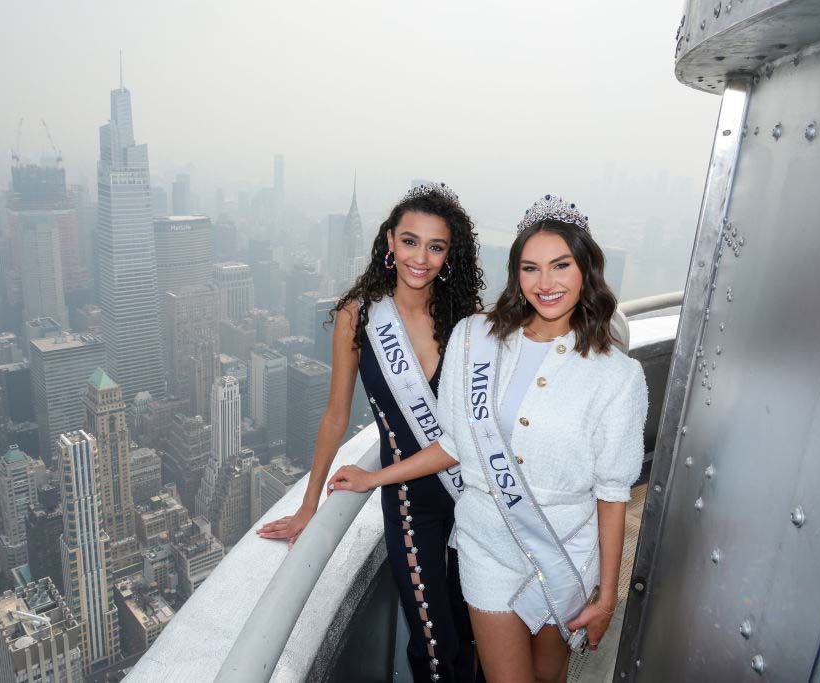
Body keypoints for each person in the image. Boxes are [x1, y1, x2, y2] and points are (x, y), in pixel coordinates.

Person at [328, 195, 648, 683]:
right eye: (530, 268)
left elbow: (612, 492)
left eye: (560, 266)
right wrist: (375, 479)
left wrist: (606, 595)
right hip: (486, 548)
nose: (546, 283)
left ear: (585, 270)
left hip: (564, 551)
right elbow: (455, 442)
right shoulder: (478, 339)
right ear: (516, 275)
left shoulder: (619, 377)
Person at [258, 182, 485, 682]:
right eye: (409, 241)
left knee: (475, 635)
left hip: (474, 496)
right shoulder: (358, 315)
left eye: (435, 245)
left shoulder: (465, 320)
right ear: (389, 242)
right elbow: (336, 415)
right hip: (409, 503)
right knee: (435, 650)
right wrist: (309, 505)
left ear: (450, 254)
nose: (420, 257)